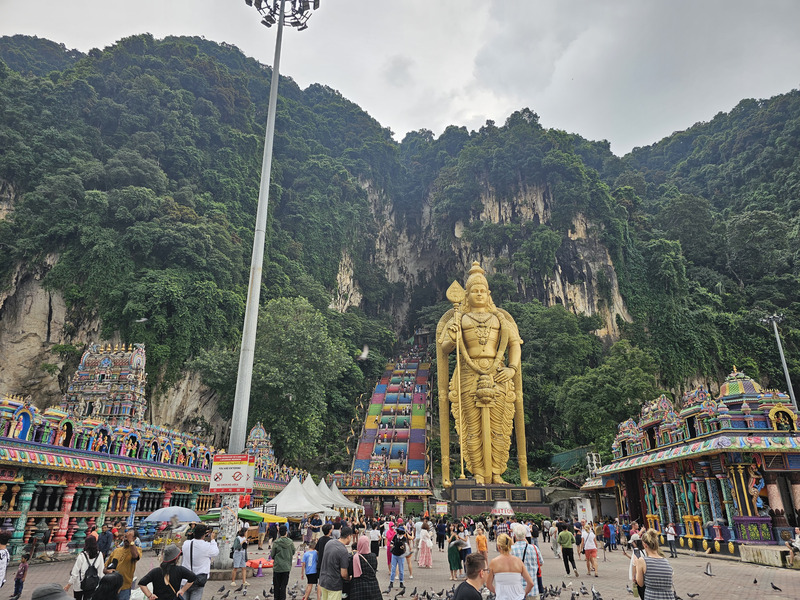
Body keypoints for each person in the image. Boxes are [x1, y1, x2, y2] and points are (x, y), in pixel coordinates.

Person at [436, 262, 530, 486]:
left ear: (488, 294)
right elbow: (445, 348)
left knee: (500, 427)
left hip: (498, 374)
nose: (478, 294)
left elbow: (514, 345)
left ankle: (497, 473)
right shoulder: (459, 318)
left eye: (482, 291)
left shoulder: (501, 319)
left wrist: (512, 368)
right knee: (472, 428)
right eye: (474, 291)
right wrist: (453, 335)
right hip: (468, 374)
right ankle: (478, 473)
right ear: (467, 295)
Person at [485, 533, 534, 600]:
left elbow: (488, 585)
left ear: (499, 546)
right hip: (519, 597)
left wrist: (497, 592)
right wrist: (524, 594)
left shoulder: (494, 562)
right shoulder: (518, 561)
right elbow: (530, 583)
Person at [180, 523, 218, 600]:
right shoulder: (207, 546)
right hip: (198, 580)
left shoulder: (186, 544)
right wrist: (213, 539)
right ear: (205, 534)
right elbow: (216, 552)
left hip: (184, 580)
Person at [634, 529, 674, 600]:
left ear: (645, 545)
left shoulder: (642, 561)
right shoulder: (666, 561)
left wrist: (637, 565)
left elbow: (640, 583)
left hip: (652, 596)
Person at [318, 525, 353, 600]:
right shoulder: (343, 551)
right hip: (334, 585)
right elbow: (343, 574)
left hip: (323, 581)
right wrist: (349, 578)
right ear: (349, 536)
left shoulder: (329, 543)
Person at [103, 530, 140, 600]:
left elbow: (135, 556)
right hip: (111, 587)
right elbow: (104, 568)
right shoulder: (116, 551)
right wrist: (107, 571)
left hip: (124, 588)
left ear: (134, 539)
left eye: (129, 537)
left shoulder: (137, 550)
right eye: (125, 537)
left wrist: (131, 542)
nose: (126, 539)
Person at [510, 524, 542, 600]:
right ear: (525, 535)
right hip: (533, 590)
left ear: (515, 535)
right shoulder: (534, 548)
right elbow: (540, 563)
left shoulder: (511, 550)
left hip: (516, 591)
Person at [348, 534, 382, 600]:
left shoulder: (354, 558)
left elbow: (350, 571)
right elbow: (374, 569)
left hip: (358, 588)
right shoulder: (373, 556)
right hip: (373, 587)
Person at [270, 525, 294, 600]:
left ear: (279, 533)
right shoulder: (290, 542)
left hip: (277, 567)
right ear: (286, 532)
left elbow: (272, 554)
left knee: (276, 585)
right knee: (284, 585)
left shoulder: (276, 543)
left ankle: (276, 598)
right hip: (286, 567)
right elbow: (293, 551)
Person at [388, 525, 407, 592]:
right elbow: (391, 543)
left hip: (401, 555)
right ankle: (391, 582)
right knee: (393, 569)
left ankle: (401, 582)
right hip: (394, 554)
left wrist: (403, 547)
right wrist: (392, 545)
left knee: (401, 570)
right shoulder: (395, 537)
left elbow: (404, 546)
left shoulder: (404, 538)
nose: (399, 533)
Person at [628, 534, 644, 599]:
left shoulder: (636, 551)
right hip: (643, 575)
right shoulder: (643, 550)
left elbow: (635, 564)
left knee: (642, 594)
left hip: (638, 576)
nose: (632, 544)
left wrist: (633, 576)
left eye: (632, 542)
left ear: (635, 542)